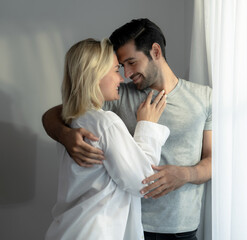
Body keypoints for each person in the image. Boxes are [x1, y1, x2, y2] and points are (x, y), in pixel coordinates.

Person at [42, 18, 212, 240]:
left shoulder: (203, 98)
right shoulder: (116, 94)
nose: (127, 74)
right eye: (120, 66)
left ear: (156, 51)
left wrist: (186, 174)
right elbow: (59, 113)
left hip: (181, 227)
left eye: (132, 62)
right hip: (131, 227)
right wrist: (66, 136)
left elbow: (213, 159)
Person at [44, 38, 170, 240]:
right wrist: (147, 125)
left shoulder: (73, 120)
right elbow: (143, 181)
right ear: (94, 75)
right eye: (115, 70)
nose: (121, 79)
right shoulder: (105, 122)